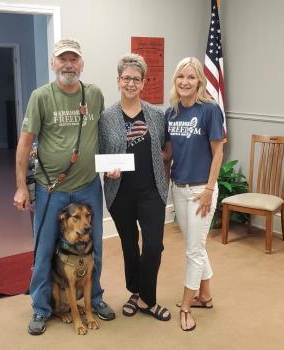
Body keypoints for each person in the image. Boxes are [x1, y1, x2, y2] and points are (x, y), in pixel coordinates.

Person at [13, 38, 115, 336]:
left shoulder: (94, 94)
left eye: (74, 59)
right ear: (53, 63)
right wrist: (21, 187)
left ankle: (94, 299)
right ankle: (42, 308)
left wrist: (112, 164)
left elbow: (104, 135)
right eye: (63, 59)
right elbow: (25, 143)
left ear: (81, 63)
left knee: (94, 248)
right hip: (50, 190)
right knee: (44, 250)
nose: (68, 64)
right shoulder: (40, 96)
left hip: (88, 188)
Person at [99, 53, 171, 321]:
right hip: (120, 193)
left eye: (136, 79)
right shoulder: (106, 118)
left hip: (152, 191)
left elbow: (166, 150)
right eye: (126, 78)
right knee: (130, 245)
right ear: (118, 81)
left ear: (143, 84)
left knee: (153, 246)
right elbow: (99, 153)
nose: (131, 83)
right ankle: (135, 291)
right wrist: (108, 169)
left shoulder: (156, 115)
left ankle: (147, 300)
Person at [164, 57, 224, 331]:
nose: (185, 82)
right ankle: (206, 295)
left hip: (201, 189)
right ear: (175, 80)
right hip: (179, 188)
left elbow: (218, 151)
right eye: (181, 77)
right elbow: (168, 153)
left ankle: (187, 307)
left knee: (193, 250)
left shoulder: (210, 110)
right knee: (195, 244)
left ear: (199, 80)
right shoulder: (171, 112)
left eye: (191, 77)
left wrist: (210, 190)